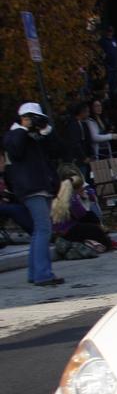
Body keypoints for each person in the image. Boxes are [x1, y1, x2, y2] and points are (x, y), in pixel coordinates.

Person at [2, 103, 63, 285]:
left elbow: (58, 150)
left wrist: (46, 130)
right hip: (31, 188)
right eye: (30, 117)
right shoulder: (14, 134)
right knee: (44, 229)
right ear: (22, 118)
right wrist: (24, 128)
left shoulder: (35, 137)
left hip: (41, 186)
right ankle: (43, 274)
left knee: (40, 230)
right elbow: (15, 151)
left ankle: (35, 273)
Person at [50, 165, 117, 251]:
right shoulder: (72, 198)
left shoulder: (59, 195)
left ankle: (99, 239)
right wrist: (82, 197)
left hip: (61, 230)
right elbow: (81, 214)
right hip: (68, 231)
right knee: (93, 226)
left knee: (90, 218)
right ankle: (107, 243)